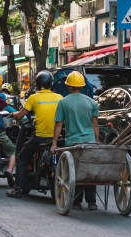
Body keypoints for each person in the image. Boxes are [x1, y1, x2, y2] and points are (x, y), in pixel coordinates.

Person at [7, 70, 62, 198]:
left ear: (37, 84)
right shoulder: (59, 97)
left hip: (39, 138)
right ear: (51, 84)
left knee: (21, 158)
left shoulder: (33, 98)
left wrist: (12, 114)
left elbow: (20, 115)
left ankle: (18, 188)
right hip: (56, 138)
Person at [52, 71, 100, 210]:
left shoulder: (63, 102)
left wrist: (54, 143)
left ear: (68, 87)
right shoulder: (91, 102)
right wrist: (96, 142)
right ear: (82, 86)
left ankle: (76, 201)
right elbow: (95, 125)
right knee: (89, 170)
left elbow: (59, 124)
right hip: (90, 142)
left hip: (72, 143)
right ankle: (91, 202)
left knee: (75, 170)